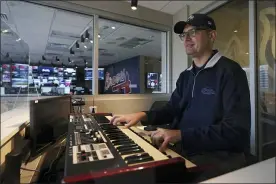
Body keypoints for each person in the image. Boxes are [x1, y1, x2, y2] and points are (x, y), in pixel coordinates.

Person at [110, 14, 251, 179]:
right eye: (183, 35)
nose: (186, 39)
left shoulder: (231, 72)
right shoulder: (186, 76)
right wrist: (141, 115)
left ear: (212, 35)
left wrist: (180, 134)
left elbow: (236, 131)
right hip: (184, 147)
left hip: (217, 156)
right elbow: (172, 109)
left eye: (193, 32)